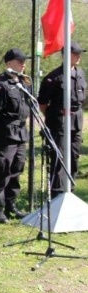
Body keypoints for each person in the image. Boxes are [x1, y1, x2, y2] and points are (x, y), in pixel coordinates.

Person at [0, 48, 31, 224]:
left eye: (24, 61)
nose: (23, 64)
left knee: (16, 169)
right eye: (19, 61)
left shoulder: (23, 84)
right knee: (2, 170)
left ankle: (11, 205)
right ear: (9, 63)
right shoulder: (0, 86)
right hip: (5, 134)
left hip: (20, 134)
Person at [37, 41, 87, 198]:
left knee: (73, 155)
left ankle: (69, 190)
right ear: (66, 55)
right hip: (59, 122)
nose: (78, 56)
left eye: (79, 54)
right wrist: (55, 116)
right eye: (75, 53)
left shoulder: (80, 74)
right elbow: (43, 103)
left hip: (76, 122)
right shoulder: (54, 77)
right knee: (59, 157)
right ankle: (58, 193)